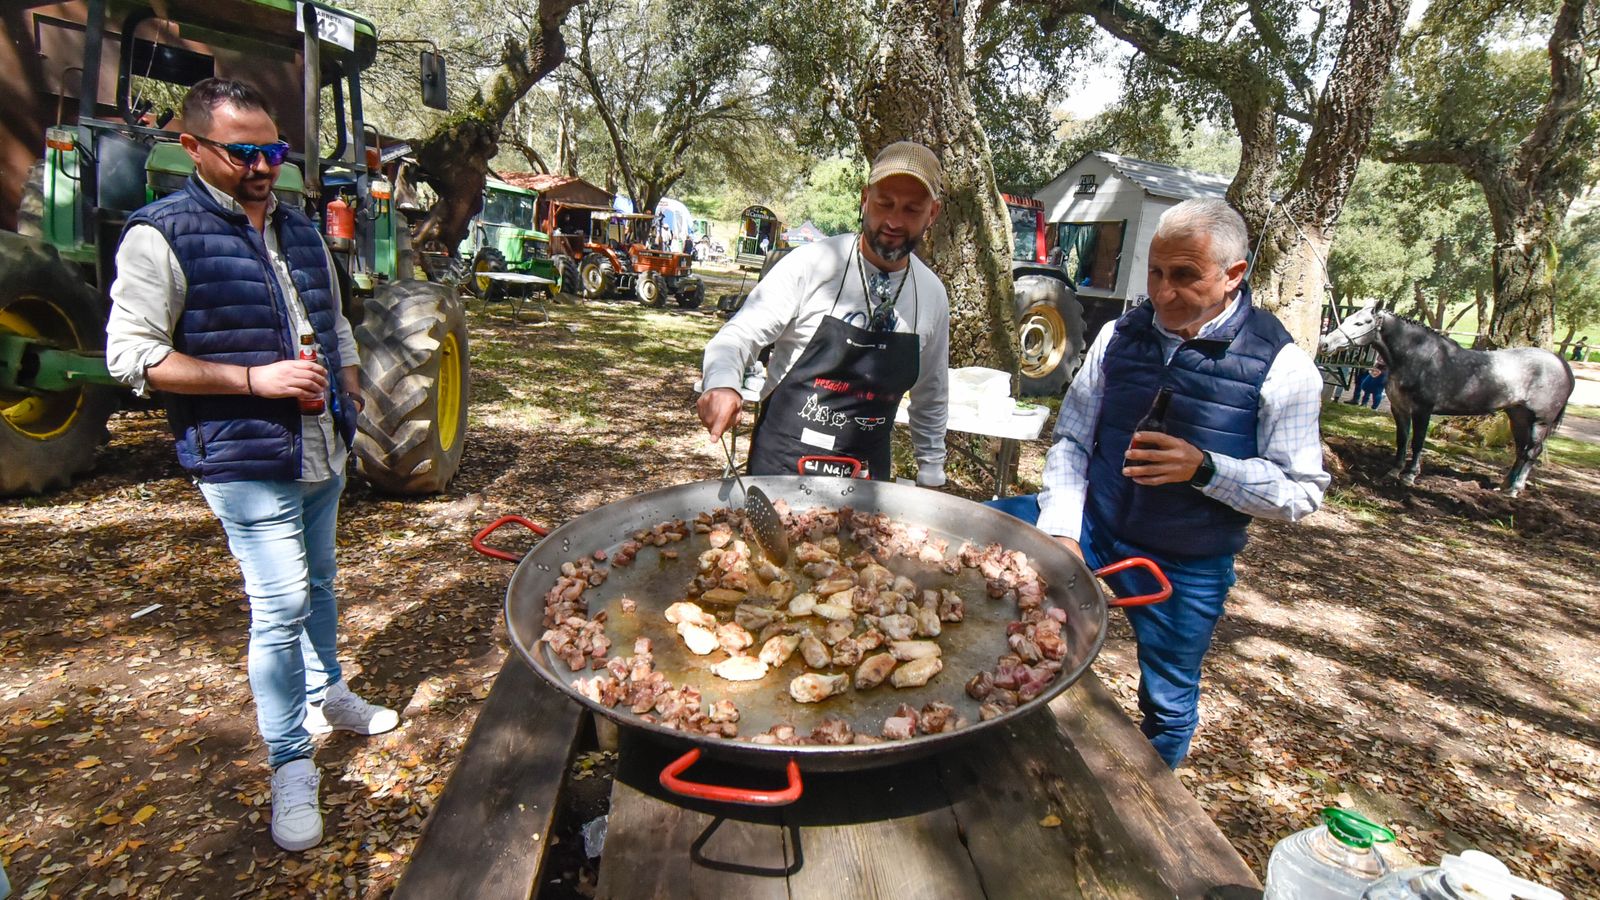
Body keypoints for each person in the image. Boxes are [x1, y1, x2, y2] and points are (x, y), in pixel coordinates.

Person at [105, 78, 398, 852]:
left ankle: (327, 690)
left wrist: (351, 387)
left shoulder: (302, 229)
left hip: (321, 447)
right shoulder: (159, 234)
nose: (266, 166)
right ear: (194, 149)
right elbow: (130, 357)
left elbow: (332, 323)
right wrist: (252, 380)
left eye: (274, 151)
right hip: (242, 455)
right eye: (246, 153)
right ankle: (291, 764)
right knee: (280, 606)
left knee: (323, 583)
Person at [987, 198, 1328, 769]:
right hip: (1094, 523)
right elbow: (1071, 440)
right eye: (1155, 271)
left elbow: (1303, 490)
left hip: (1185, 561)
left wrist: (1208, 469)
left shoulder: (1282, 367)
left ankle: (1152, 812)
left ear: (1234, 274)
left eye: (1185, 276)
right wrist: (1065, 532)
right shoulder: (1120, 335)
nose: (1163, 292)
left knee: (1168, 703)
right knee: (979, 542)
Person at [697, 141, 950, 485]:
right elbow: (738, 335)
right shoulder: (811, 265)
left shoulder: (932, 295)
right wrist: (723, 383)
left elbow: (931, 393)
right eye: (884, 204)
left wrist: (932, 471)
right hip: (781, 469)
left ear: (932, 214)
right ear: (864, 199)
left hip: (866, 482)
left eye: (911, 210)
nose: (893, 221)